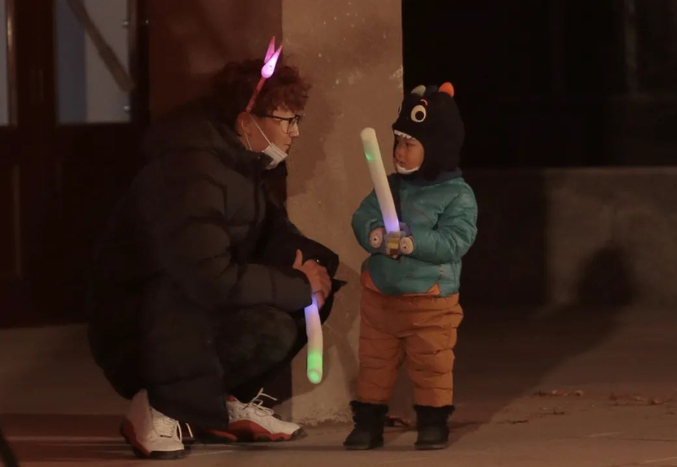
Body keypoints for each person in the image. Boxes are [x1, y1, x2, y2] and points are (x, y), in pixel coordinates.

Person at [86, 57, 341, 460]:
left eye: (298, 120)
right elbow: (205, 277)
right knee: (269, 316)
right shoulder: (190, 170)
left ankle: (218, 405)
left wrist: (315, 267)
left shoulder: (239, 164)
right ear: (246, 122)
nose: (294, 132)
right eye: (286, 120)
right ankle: (156, 404)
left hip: (182, 316)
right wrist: (296, 283)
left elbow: (272, 234)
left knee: (298, 305)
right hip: (138, 329)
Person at [344, 83, 478, 450]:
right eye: (397, 143)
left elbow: (455, 241)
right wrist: (375, 235)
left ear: (435, 147)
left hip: (430, 300)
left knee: (432, 363)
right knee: (374, 364)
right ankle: (368, 423)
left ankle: (433, 422)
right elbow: (363, 216)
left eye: (409, 144)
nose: (399, 152)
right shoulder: (390, 186)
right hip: (381, 297)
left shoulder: (457, 194)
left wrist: (410, 242)